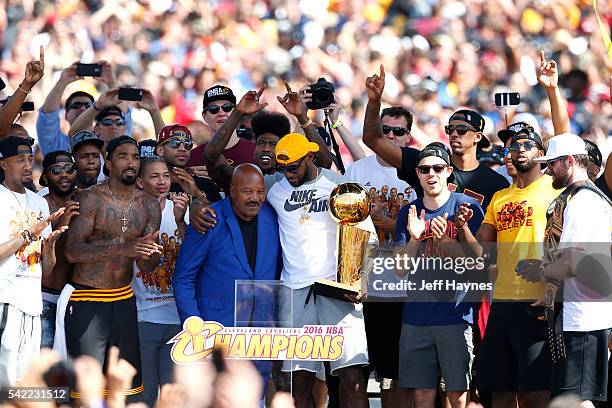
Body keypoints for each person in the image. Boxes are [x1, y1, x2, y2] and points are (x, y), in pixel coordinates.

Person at [265, 133, 377, 408]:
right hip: (295, 291)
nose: (288, 174)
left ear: (310, 158)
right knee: (298, 381)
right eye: (282, 169)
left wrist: (362, 281)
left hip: (338, 290)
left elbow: (369, 237)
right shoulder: (274, 188)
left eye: (293, 167)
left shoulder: (337, 184)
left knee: (352, 377)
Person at [459, 128, 559, 407]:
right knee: (499, 390)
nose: (520, 149)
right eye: (514, 146)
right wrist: (463, 228)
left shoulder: (557, 190)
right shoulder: (500, 197)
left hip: (537, 301)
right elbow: (482, 252)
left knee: (536, 393)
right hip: (502, 302)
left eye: (528, 144)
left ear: (542, 153)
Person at [62, 135, 162, 398]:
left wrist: (151, 255)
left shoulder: (149, 204)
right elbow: (72, 252)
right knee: (86, 389)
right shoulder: (90, 199)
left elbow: (148, 265)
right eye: (123, 157)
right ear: (108, 163)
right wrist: (123, 248)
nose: (131, 162)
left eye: (135, 157)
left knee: (124, 388)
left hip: (124, 299)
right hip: (87, 298)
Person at [173, 164, 281, 394]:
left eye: (260, 191)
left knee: (255, 395)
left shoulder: (272, 217)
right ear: (232, 190)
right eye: (247, 191)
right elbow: (183, 279)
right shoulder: (207, 219)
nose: (255, 198)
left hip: (261, 332)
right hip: (216, 331)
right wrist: (195, 326)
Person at [395, 143, 484, 408]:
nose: (431, 174)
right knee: (422, 395)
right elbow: (400, 269)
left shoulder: (467, 207)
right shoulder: (408, 212)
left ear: (448, 171)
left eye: (437, 168)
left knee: (458, 395)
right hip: (416, 315)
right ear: (418, 174)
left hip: (455, 315)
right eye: (424, 169)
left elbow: (479, 264)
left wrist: (446, 242)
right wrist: (414, 237)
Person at [529, 134, 612, 406]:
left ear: (568, 161)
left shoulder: (584, 201)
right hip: (578, 313)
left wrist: (539, 270)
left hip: (585, 316)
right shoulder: (578, 198)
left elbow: (573, 260)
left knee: (578, 399)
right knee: (575, 398)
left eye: (552, 163)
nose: (547, 169)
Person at [343, 104, 416, 407]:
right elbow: (346, 226)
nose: (390, 136)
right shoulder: (358, 170)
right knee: (359, 370)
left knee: (402, 372)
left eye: (398, 131)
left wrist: (387, 222)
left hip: (406, 286)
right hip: (366, 285)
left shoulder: (420, 170)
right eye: (385, 130)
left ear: (408, 136)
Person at [362, 65, 509, 212]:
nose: (454, 134)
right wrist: (374, 102)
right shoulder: (427, 165)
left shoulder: (495, 183)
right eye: (450, 129)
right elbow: (372, 139)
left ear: (477, 136)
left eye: (462, 130)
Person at [0, 136, 65, 384]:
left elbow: (46, 270)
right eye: (20, 160)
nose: (28, 165)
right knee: (4, 381)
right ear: (3, 164)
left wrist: (50, 246)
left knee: (26, 381)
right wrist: (29, 234)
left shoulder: (39, 201)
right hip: (6, 300)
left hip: (32, 303)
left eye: (29, 159)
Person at [132, 156, 189, 407]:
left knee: (171, 392)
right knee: (144, 394)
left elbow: (191, 258)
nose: (162, 181)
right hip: (143, 316)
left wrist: (180, 221)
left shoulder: (181, 209)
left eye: (166, 175)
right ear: (140, 182)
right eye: (154, 176)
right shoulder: (131, 212)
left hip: (176, 318)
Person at [203, 85, 333, 193]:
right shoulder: (242, 177)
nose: (266, 149)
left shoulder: (293, 175)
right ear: (254, 147)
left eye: (272, 144)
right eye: (261, 143)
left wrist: (302, 117)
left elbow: (325, 162)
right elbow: (211, 157)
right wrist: (238, 113)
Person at [40, 151, 80, 349]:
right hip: (46, 298)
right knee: (46, 371)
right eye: (56, 170)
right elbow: (42, 258)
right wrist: (62, 224)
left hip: (77, 299)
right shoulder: (40, 204)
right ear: (45, 177)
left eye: (69, 169)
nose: (63, 174)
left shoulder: (85, 199)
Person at [36, 60, 117, 155]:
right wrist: (62, 82)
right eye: (76, 105)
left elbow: (120, 114)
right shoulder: (56, 144)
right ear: (66, 115)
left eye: (88, 106)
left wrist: (112, 82)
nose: (82, 109)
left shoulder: (106, 142)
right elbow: (47, 116)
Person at [187, 85, 256, 170]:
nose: (221, 113)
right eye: (213, 109)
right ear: (204, 117)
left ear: (237, 112)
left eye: (227, 107)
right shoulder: (193, 157)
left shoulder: (255, 151)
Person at [68, 87, 163, 144]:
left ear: (125, 128)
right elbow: (74, 132)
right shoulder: (92, 154)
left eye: (119, 122)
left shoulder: (133, 154)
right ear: (96, 129)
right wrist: (98, 106)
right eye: (107, 122)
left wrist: (154, 111)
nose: (114, 126)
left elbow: (165, 145)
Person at [155, 124, 221, 202]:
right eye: (175, 143)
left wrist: (197, 194)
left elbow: (217, 213)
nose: (182, 148)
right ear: (160, 150)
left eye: (187, 144)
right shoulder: (151, 184)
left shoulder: (205, 184)